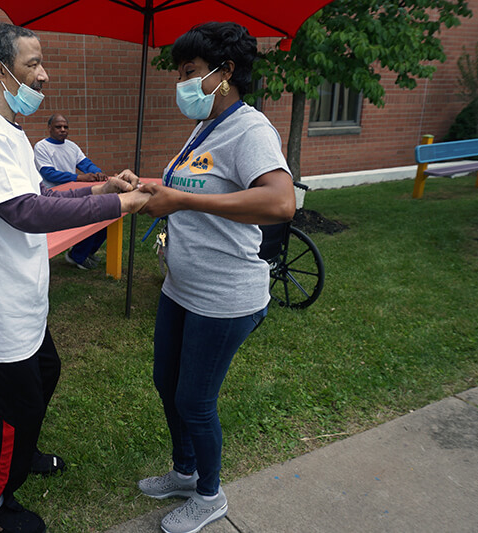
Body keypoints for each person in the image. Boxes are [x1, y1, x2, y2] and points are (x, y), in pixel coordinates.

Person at [0, 21, 149, 533]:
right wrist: (119, 205)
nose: (44, 75)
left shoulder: (8, 129)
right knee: (18, 408)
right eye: (33, 64)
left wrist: (98, 191)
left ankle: (20, 451)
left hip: (19, 297)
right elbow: (23, 212)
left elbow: (43, 197)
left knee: (44, 375)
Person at [129, 22, 296, 533]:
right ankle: (185, 470)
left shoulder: (251, 129)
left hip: (224, 296)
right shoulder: (207, 127)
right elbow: (195, 185)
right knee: (165, 381)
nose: (182, 84)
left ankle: (210, 494)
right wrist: (150, 186)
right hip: (182, 287)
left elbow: (280, 200)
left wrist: (181, 199)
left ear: (225, 73)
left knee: (194, 401)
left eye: (190, 73)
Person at [34, 114, 109, 269]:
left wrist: (97, 173)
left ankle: (84, 252)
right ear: (49, 128)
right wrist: (79, 178)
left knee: (104, 217)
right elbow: (49, 173)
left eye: (65, 127)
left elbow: (86, 164)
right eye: (58, 127)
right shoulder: (41, 147)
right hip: (52, 196)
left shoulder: (72, 146)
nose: (63, 130)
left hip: (74, 193)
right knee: (91, 217)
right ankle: (78, 257)